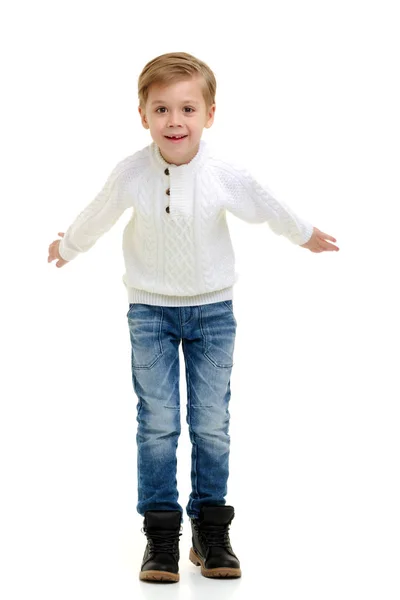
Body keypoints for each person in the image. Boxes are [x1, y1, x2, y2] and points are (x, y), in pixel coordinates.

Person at [47, 51, 339, 583]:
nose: (174, 121)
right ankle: (161, 535)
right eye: (161, 109)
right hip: (150, 312)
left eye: (187, 109)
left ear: (209, 114)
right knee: (157, 423)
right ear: (143, 116)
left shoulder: (224, 172)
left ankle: (210, 528)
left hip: (213, 313)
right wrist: (68, 245)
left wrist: (303, 232)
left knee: (211, 423)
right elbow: (99, 211)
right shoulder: (132, 172)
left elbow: (264, 201)